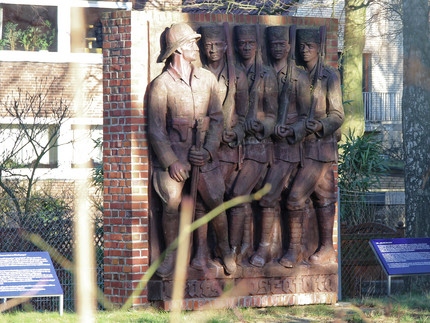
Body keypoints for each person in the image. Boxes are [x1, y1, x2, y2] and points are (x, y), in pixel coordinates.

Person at [148, 22, 236, 277]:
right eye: (190, 43)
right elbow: (156, 129)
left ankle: (225, 250)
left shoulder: (206, 79)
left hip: (203, 155)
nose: (196, 48)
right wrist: (171, 161)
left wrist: (208, 151)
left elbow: (218, 119)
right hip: (174, 156)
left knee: (216, 200)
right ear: (177, 50)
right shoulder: (161, 85)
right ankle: (172, 256)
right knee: (171, 203)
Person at [279, 28, 344, 268]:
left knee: (296, 197)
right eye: (302, 46)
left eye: (309, 46)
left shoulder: (330, 76)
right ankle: (324, 248)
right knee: (323, 195)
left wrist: (320, 125)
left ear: (319, 47)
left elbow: (337, 115)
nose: (305, 50)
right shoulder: (296, 76)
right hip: (298, 146)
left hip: (320, 147)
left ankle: (294, 251)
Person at [249, 25, 311, 267]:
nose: (277, 48)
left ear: (288, 46)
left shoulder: (300, 78)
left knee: (269, 196)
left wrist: (292, 130)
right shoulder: (261, 73)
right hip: (261, 146)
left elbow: (307, 117)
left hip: (286, 147)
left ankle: (282, 250)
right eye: (272, 44)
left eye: (281, 44)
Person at [189, 25, 249, 269]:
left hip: (229, 150)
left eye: (217, 44)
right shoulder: (198, 75)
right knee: (203, 201)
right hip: (204, 147)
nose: (212, 49)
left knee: (226, 199)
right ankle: (201, 253)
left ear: (226, 47)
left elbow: (245, 116)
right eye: (207, 45)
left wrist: (236, 131)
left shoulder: (238, 77)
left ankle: (228, 249)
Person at [228, 24, 278, 263]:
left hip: (258, 147)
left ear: (257, 45)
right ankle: (245, 246)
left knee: (238, 195)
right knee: (232, 195)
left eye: (250, 43)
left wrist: (261, 125)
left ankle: (235, 251)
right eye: (242, 43)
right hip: (233, 147)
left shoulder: (267, 75)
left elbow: (272, 114)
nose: (246, 47)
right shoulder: (232, 72)